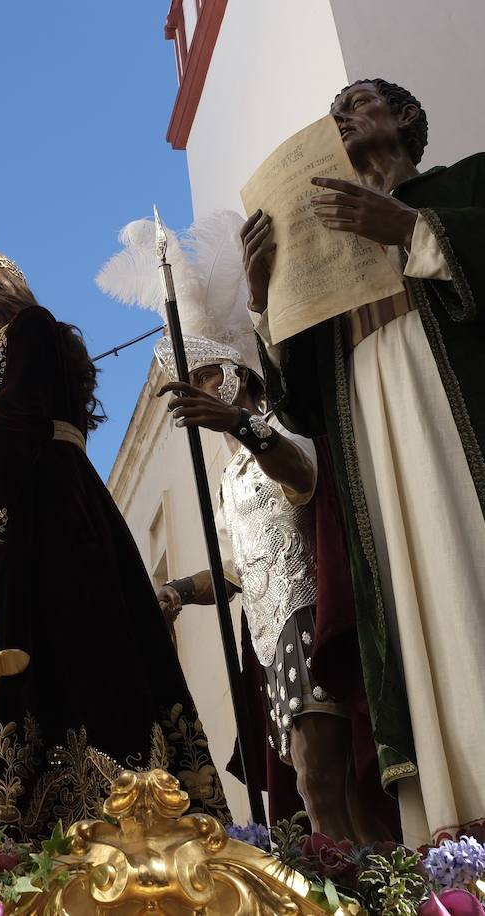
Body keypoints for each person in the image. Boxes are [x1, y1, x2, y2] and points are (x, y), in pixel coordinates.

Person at [242, 78, 485, 845]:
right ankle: (456, 830)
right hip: (374, 451)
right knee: (414, 611)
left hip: (458, 420)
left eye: (358, 102)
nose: (340, 117)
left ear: (407, 117)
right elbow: (302, 411)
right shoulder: (329, 245)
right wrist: (264, 299)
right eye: (333, 113)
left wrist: (411, 228)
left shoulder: (467, 183)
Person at [0, 243, 229, 845]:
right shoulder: (8, 351)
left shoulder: (31, 329)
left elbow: (16, 429)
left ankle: (114, 812)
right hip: (24, 527)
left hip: (52, 529)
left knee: (74, 660)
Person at [155, 338, 386, 841]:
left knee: (320, 777)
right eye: (189, 382)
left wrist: (241, 424)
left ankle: (360, 880)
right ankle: (373, 877)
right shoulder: (227, 480)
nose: (197, 390)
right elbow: (232, 571)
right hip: (269, 641)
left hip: (309, 615)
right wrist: (177, 589)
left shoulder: (284, 425)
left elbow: (301, 473)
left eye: (205, 375)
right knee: (320, 788)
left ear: (237, 373)